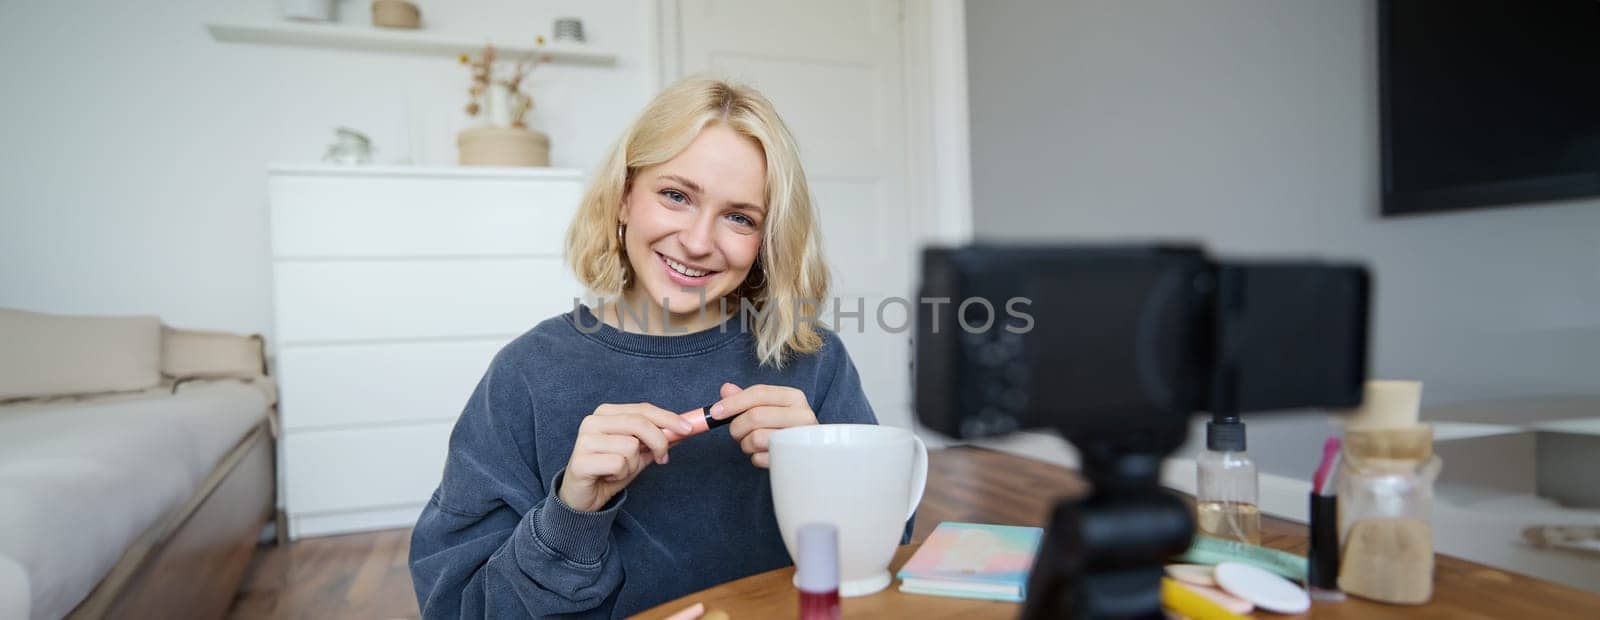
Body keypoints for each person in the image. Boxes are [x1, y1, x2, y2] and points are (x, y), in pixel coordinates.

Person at [408, 78, 887, 618]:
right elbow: (458, 606)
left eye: (739, 218)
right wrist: (572, 512)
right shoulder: (526, 375)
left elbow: (876, 567)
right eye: (676, 195)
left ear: (766, 241)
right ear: (623, 198)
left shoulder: (815, 361)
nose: (699, 241)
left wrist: (823, 470)